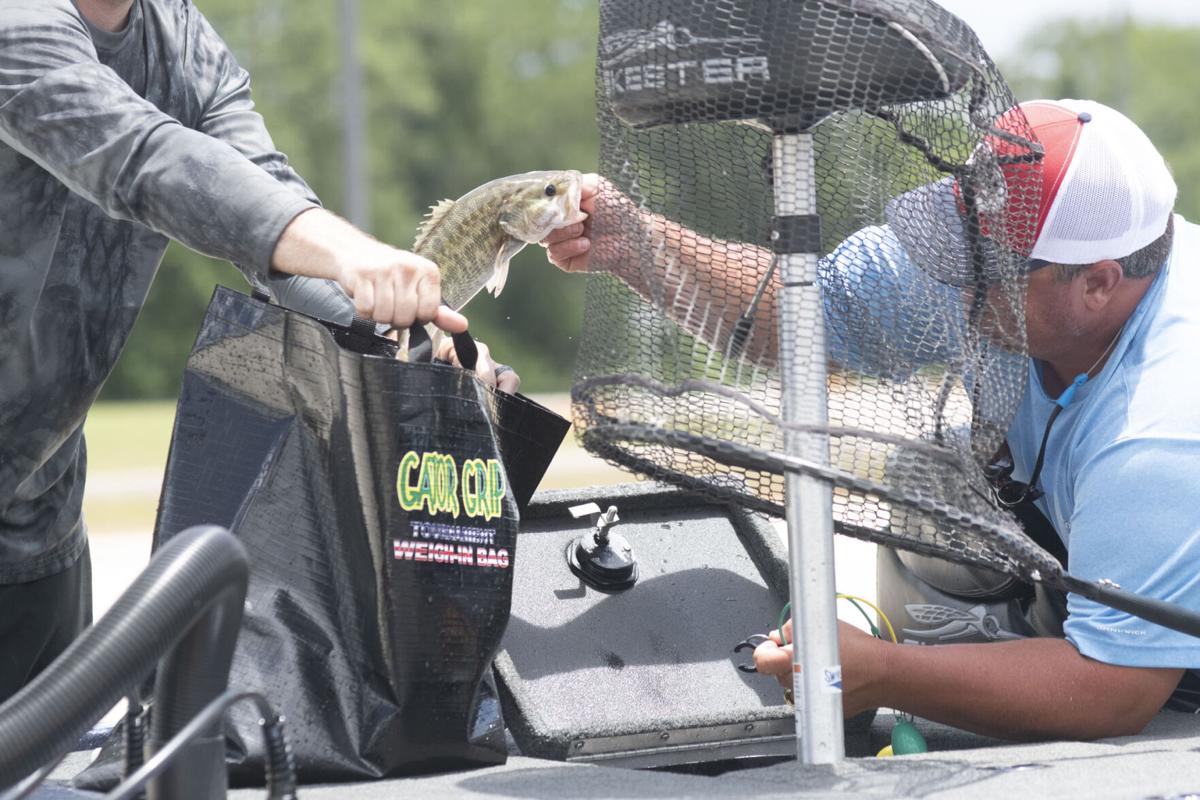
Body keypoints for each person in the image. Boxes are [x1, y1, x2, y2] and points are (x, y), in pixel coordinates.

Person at [541, 99, 1199, 740]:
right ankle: (982, 669)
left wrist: (885, 675)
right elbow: (803, 317)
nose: (955, 281)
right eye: (958, 243)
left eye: (985, 270)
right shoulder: (997, 266)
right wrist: (642, 245)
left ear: (1098, 284)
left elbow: (1116, 691)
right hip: (1098, 541)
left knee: (1130, 672)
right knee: (931, 475)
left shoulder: (1160, 426)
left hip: (1156, 655)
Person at [0, 0, 517, 702]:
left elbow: (265, 205)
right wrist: (348, 251)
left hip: (38, 521)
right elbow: (143, 156)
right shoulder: (17, 23)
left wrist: (417, 347)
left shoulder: (181, 40)